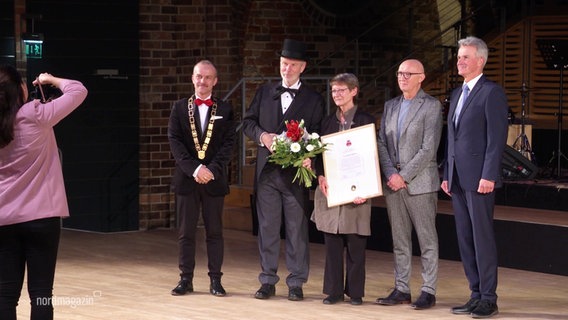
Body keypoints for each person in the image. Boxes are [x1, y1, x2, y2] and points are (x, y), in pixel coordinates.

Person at [0, 65, 88, 319]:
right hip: (42, 219)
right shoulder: (35, 114)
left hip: (4, 219)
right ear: (20, 90)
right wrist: (50, 79)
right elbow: (77, 90)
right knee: (41, 295)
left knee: (5, 295)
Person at [242, 38, 325, 301]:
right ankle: (267, 280)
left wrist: (311, 157)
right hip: (266, 173)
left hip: (295, 176)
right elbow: (247, 122)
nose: (286, 69)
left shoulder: (314, 99)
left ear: (302, 67)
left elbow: (320, 134)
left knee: (296, 229)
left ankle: (297, 282)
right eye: (283, 64)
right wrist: (263, 136)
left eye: (291, 65)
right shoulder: (265, 92)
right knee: (267, 228)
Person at [441, 36, 508, 318]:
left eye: (465, 56)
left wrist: (489, 174)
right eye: (458, 56)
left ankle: (489, 298)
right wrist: (446, 172)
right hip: (456, 178)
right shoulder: (457, 94)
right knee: (465, 238)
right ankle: (475, 293)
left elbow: (497, 138)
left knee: (482, 238)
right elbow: (452, 139)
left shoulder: (491, 92)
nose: (459, 61)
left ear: (480, 60)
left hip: (480, 178)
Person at [376, 59, 443, 310]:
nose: (402, 77)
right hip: (394, 184)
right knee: (399, 240)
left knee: (427, 240)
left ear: (421, 77)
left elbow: (428, 148)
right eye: (400, 73)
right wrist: (392, 173)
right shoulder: (391, 105)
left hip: (420, 184)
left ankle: (428, 290)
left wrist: (404, 176)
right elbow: (381, 143)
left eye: (408, 73)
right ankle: (402, 288)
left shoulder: (431, 106)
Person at [168, 60, 236, 297]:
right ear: (192, 78)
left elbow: (229, 145)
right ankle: (185, 279)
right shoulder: (178, 108)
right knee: (186, 232)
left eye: (208, 77)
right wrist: (196, 170)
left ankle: (215, 280)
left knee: (214, 232)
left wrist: (212, 170)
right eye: (199, 76)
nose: (202, 81)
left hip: (214, 180)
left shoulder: (226, 109)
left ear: (215, 81)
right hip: (188, 179)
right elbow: (175, 143)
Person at [310, 73, 375, 306]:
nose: (337, 94)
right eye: (334, 91)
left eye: (341, 90)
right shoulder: (327, 122)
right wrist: (320, 175)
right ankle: (334, 291)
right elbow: (318, 155)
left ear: (354, 91)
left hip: (358, 192)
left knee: (356, 244)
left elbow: (371, 157)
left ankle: (355, 293)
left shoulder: (366, 120)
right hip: (332, 191)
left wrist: (366, 188)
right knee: (332, 245)